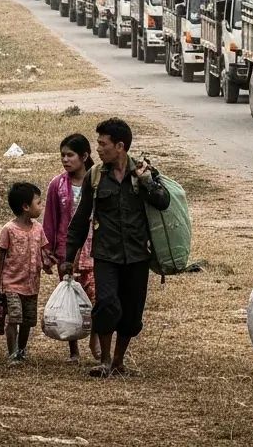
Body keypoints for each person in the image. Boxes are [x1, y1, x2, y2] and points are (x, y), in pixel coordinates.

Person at [61, 117, 170, 378]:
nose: (98, 149)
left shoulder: (144, 172)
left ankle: (119, 361)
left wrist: (146, 182)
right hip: (106, 254)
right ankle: (105, 361)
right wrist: (68, 256)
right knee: (107, 304)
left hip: (137, 255)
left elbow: (163, 201)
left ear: (120, 146)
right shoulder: (95, 176)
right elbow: (80, 218)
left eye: (103, 144)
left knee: (132, 312)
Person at [43, 134, 98, 361]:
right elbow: (51, 220)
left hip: (95, 247)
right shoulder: (58, 185)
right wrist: (49, 251)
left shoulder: (97, 181)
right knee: (70, 297)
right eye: (62, 155)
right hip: (69, 251)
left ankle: (96, 339)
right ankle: (73, 349)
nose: (65, 160)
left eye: (70, 155)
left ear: (84, 156)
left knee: (97, 297)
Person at [0, 182, 54, 364]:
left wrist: (48, 263)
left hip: (31, 284)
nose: (41, 207)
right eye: (38, 203)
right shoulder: (8, 230)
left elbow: (43, 250)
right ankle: (12, 353)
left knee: (28, 320)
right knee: (14, 317)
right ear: (26, 207)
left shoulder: (38, 228)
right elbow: (0, 255)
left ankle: (21, 349)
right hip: (12, 283)